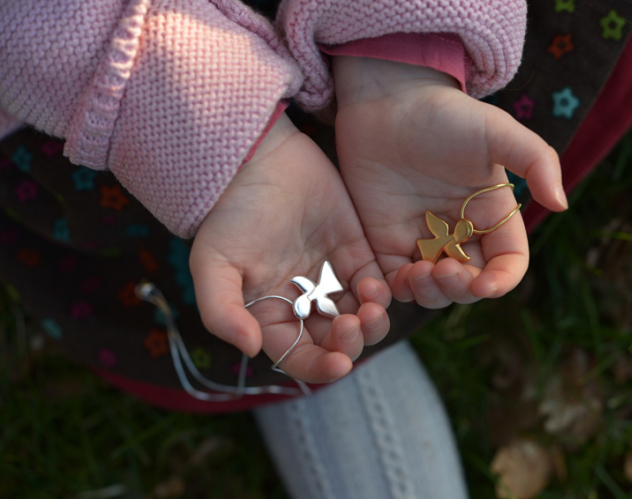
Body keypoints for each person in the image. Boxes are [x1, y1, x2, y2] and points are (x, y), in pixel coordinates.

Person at [0, 0, 565, 497]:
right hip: (124, 107)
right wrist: (221, 141)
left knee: (333, 315)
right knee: (309, 328)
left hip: (386, 67)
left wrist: (399, 59)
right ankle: (308, 385)